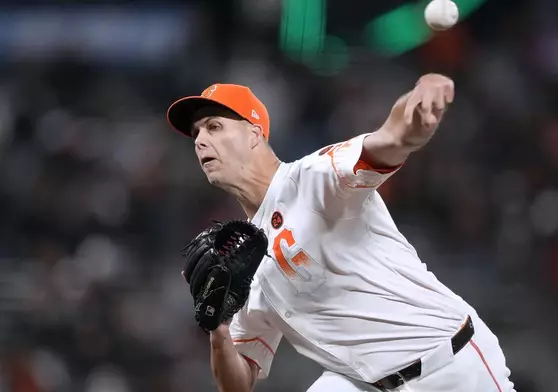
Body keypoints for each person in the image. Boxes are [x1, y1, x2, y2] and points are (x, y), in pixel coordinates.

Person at [166, 75, 515, 392]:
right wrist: (218, 330)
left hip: (452, 365)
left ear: (254, 133)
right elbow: (237, 385)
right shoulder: (240, 260)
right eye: (196, 134)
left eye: (214, 127)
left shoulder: (313, 178)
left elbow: (389, 141)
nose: (200, 141)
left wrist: (415, 113)